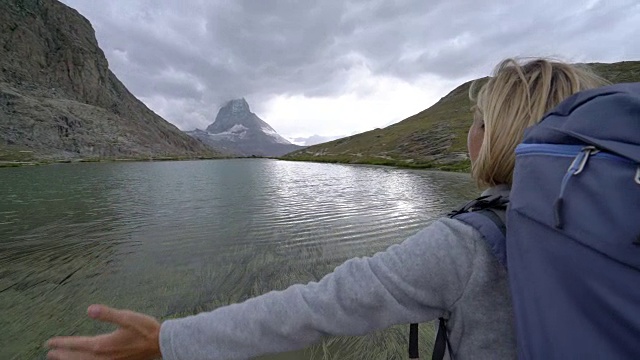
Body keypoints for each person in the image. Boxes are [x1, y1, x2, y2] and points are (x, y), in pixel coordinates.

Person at [45, 58, 609, 360]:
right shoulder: (619, 224)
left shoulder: (468, 246)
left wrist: (168, 339)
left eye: (478, 122)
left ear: (494, 136)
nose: (470, 134)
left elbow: (317, 307)